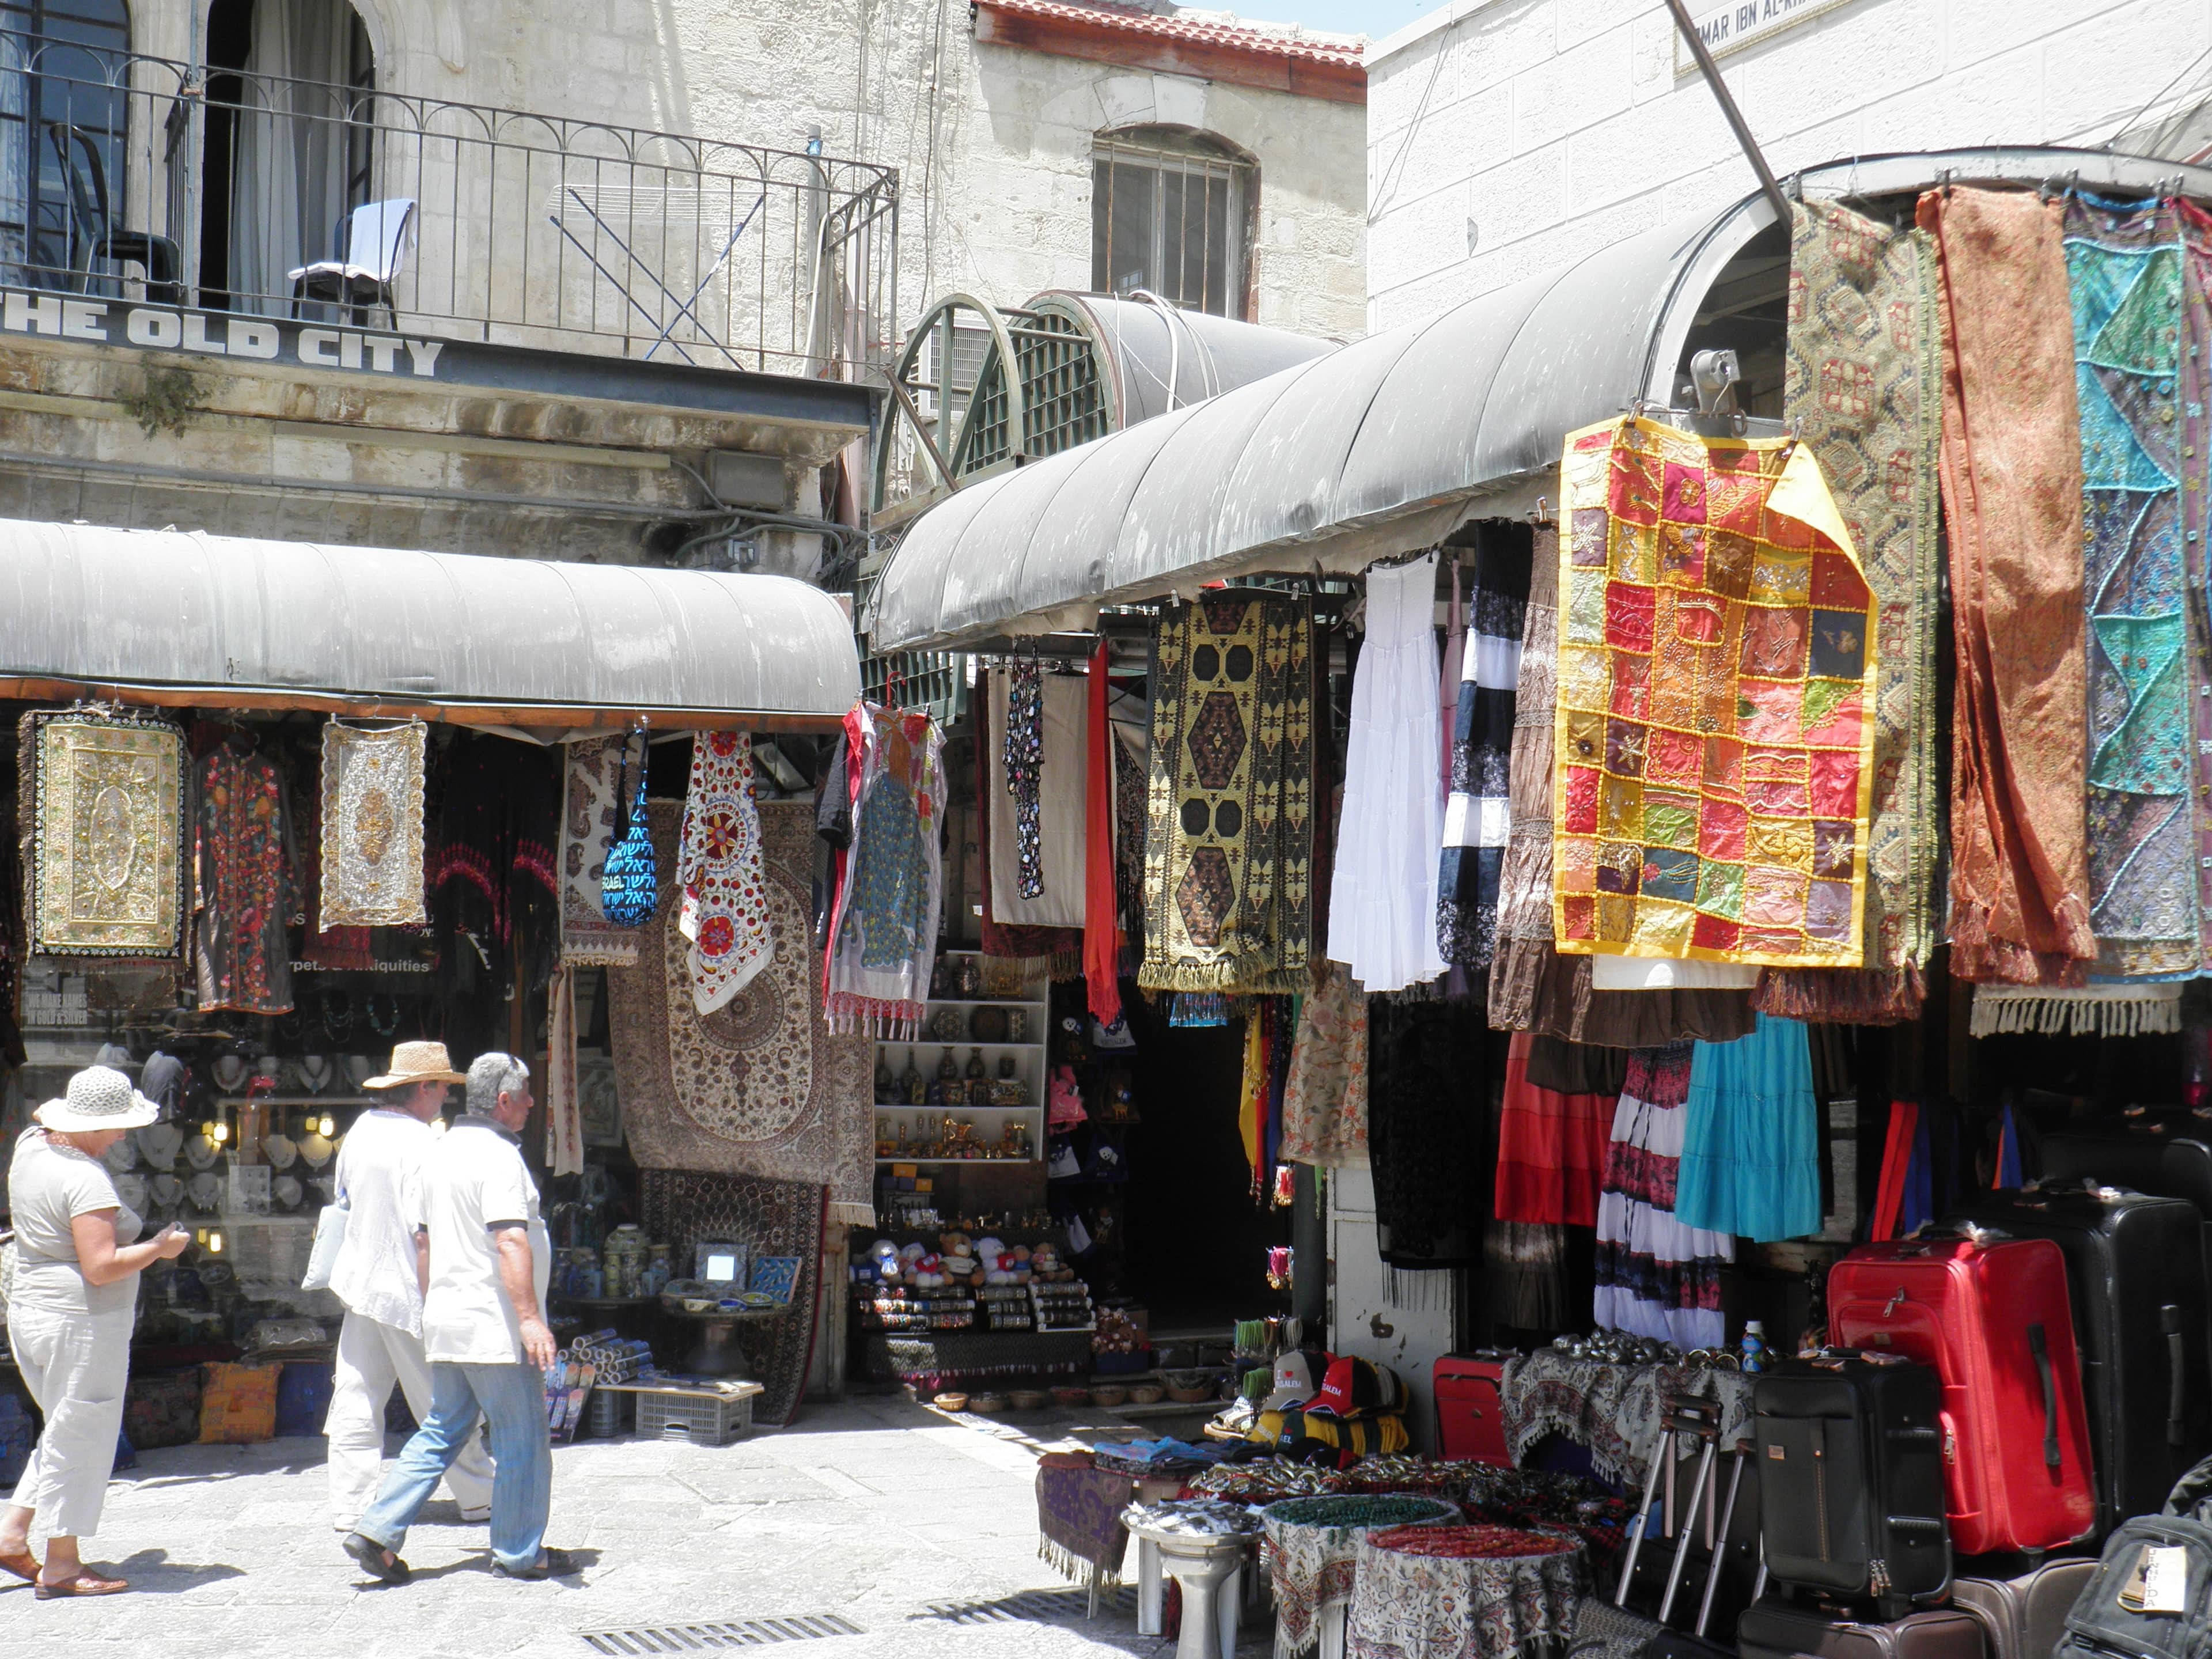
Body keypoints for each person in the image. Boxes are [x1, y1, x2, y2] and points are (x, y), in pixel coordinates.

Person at [344, 1052, 577, 1583]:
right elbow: (510, 1238)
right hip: (492, 1326)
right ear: (502, 1101)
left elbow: (423, 1244)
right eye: (525, 1095)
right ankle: (520, 1552)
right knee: (522, 1438)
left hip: (449, 1319)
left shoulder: (440, 1151)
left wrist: (434, 1309)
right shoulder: (497, 1157)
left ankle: (377, 1531)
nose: (532, 1104)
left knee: (442, 1429)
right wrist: (529, 1318)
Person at [0, 1066, 191, 1598]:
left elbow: (42, 1119)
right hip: (79, 1320)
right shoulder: (85, 1179)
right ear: (94, 1124)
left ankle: (13, 1532)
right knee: (83, 1432)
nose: (124, 1136)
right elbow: (102, 1265)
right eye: (118, 1125)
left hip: (33, 1308)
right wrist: (159, 1248)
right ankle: (62, 1564)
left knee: (63, 1426)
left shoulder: (33, 1145)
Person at [324, 1041, 495, 1531]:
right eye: (443, 1086)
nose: (446, 1096)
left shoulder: (361, 1132)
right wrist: (439, 1295)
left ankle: (350, 1504)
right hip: (404, 1288)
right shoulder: (422, 1145)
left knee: (357, 1397)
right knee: (446, 1402)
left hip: (361, 1281)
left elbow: (344, 1200)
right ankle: (480, 1493)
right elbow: (427, 1230)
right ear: (424, 1088)